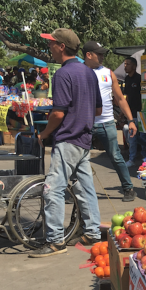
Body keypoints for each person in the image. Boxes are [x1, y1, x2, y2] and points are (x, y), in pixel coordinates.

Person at [30, 28, 103, 257]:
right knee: (84, 187)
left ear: (61, 47)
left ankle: (54, 241)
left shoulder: (62, 74)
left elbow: (58, 113)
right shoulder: (89, 72)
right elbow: (98, 109)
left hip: (68, 139)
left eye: (52, 44)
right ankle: (92, 231)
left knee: (53, 189)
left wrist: (44, 135)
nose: (49, 48)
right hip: (84, 138)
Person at [83, 40, 138, 202]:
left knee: (116, 156)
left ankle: (128, 188)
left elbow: (120, 98)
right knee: (79, 158)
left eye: (102, 53)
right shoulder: (79, 71)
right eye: (99, 54)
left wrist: (130, 120)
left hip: (107, 123)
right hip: (85, 123)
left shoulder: (108, 73)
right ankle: (76, 190)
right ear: (88, 55)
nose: (102, 56)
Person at [123, 56, 146, 166]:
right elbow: (127, 97)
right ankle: (132, 159)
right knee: (132, 137)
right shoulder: (127, 79)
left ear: (134, 66)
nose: (125, 66)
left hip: (141, 112)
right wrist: (123, 112)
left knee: (143, 136)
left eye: (127, 64)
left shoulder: (139, 79)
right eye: (125, 64)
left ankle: (145, 157)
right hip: (131, 114)